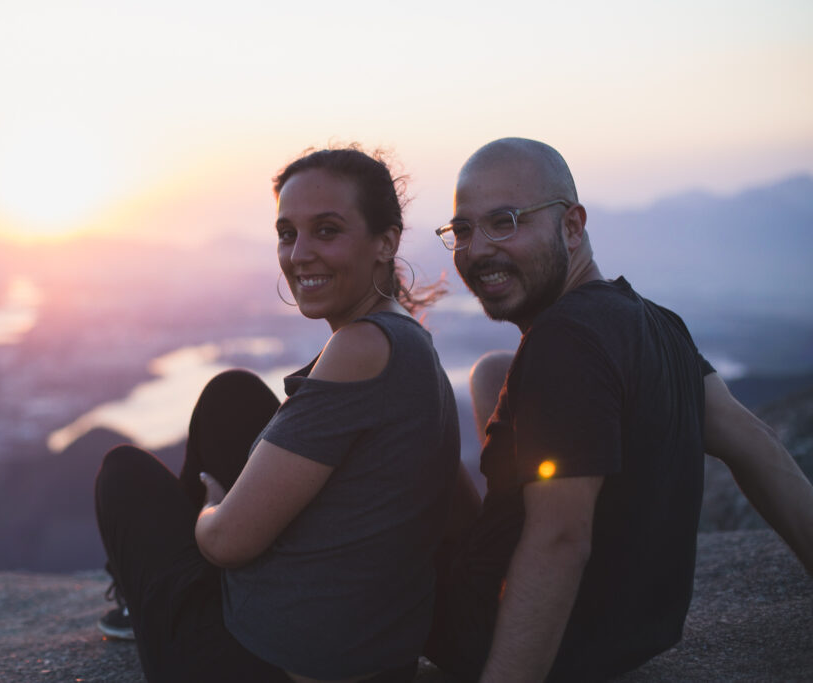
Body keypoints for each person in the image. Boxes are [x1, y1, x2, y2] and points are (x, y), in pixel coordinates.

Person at [424, 137, 813, 682]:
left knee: (399, 416)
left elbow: (561, 540)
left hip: (503, 634)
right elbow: (758, 448)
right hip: (629, 636)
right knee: (491, 370)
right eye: (463, 230)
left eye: (506, 221)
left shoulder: (567, 340)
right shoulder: (656, 323)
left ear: (573, 226)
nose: (478, 248)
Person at [94, 146, 461, 683]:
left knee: (123, 473)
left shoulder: (360, 349)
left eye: (327, 230)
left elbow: (225, 542)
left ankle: (145, 608)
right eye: (288, 233)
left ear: (386, 242)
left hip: (272, 665)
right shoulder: (407, 339)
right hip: (370, 651)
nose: (299, 254)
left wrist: (212, 510)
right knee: (234, 396)